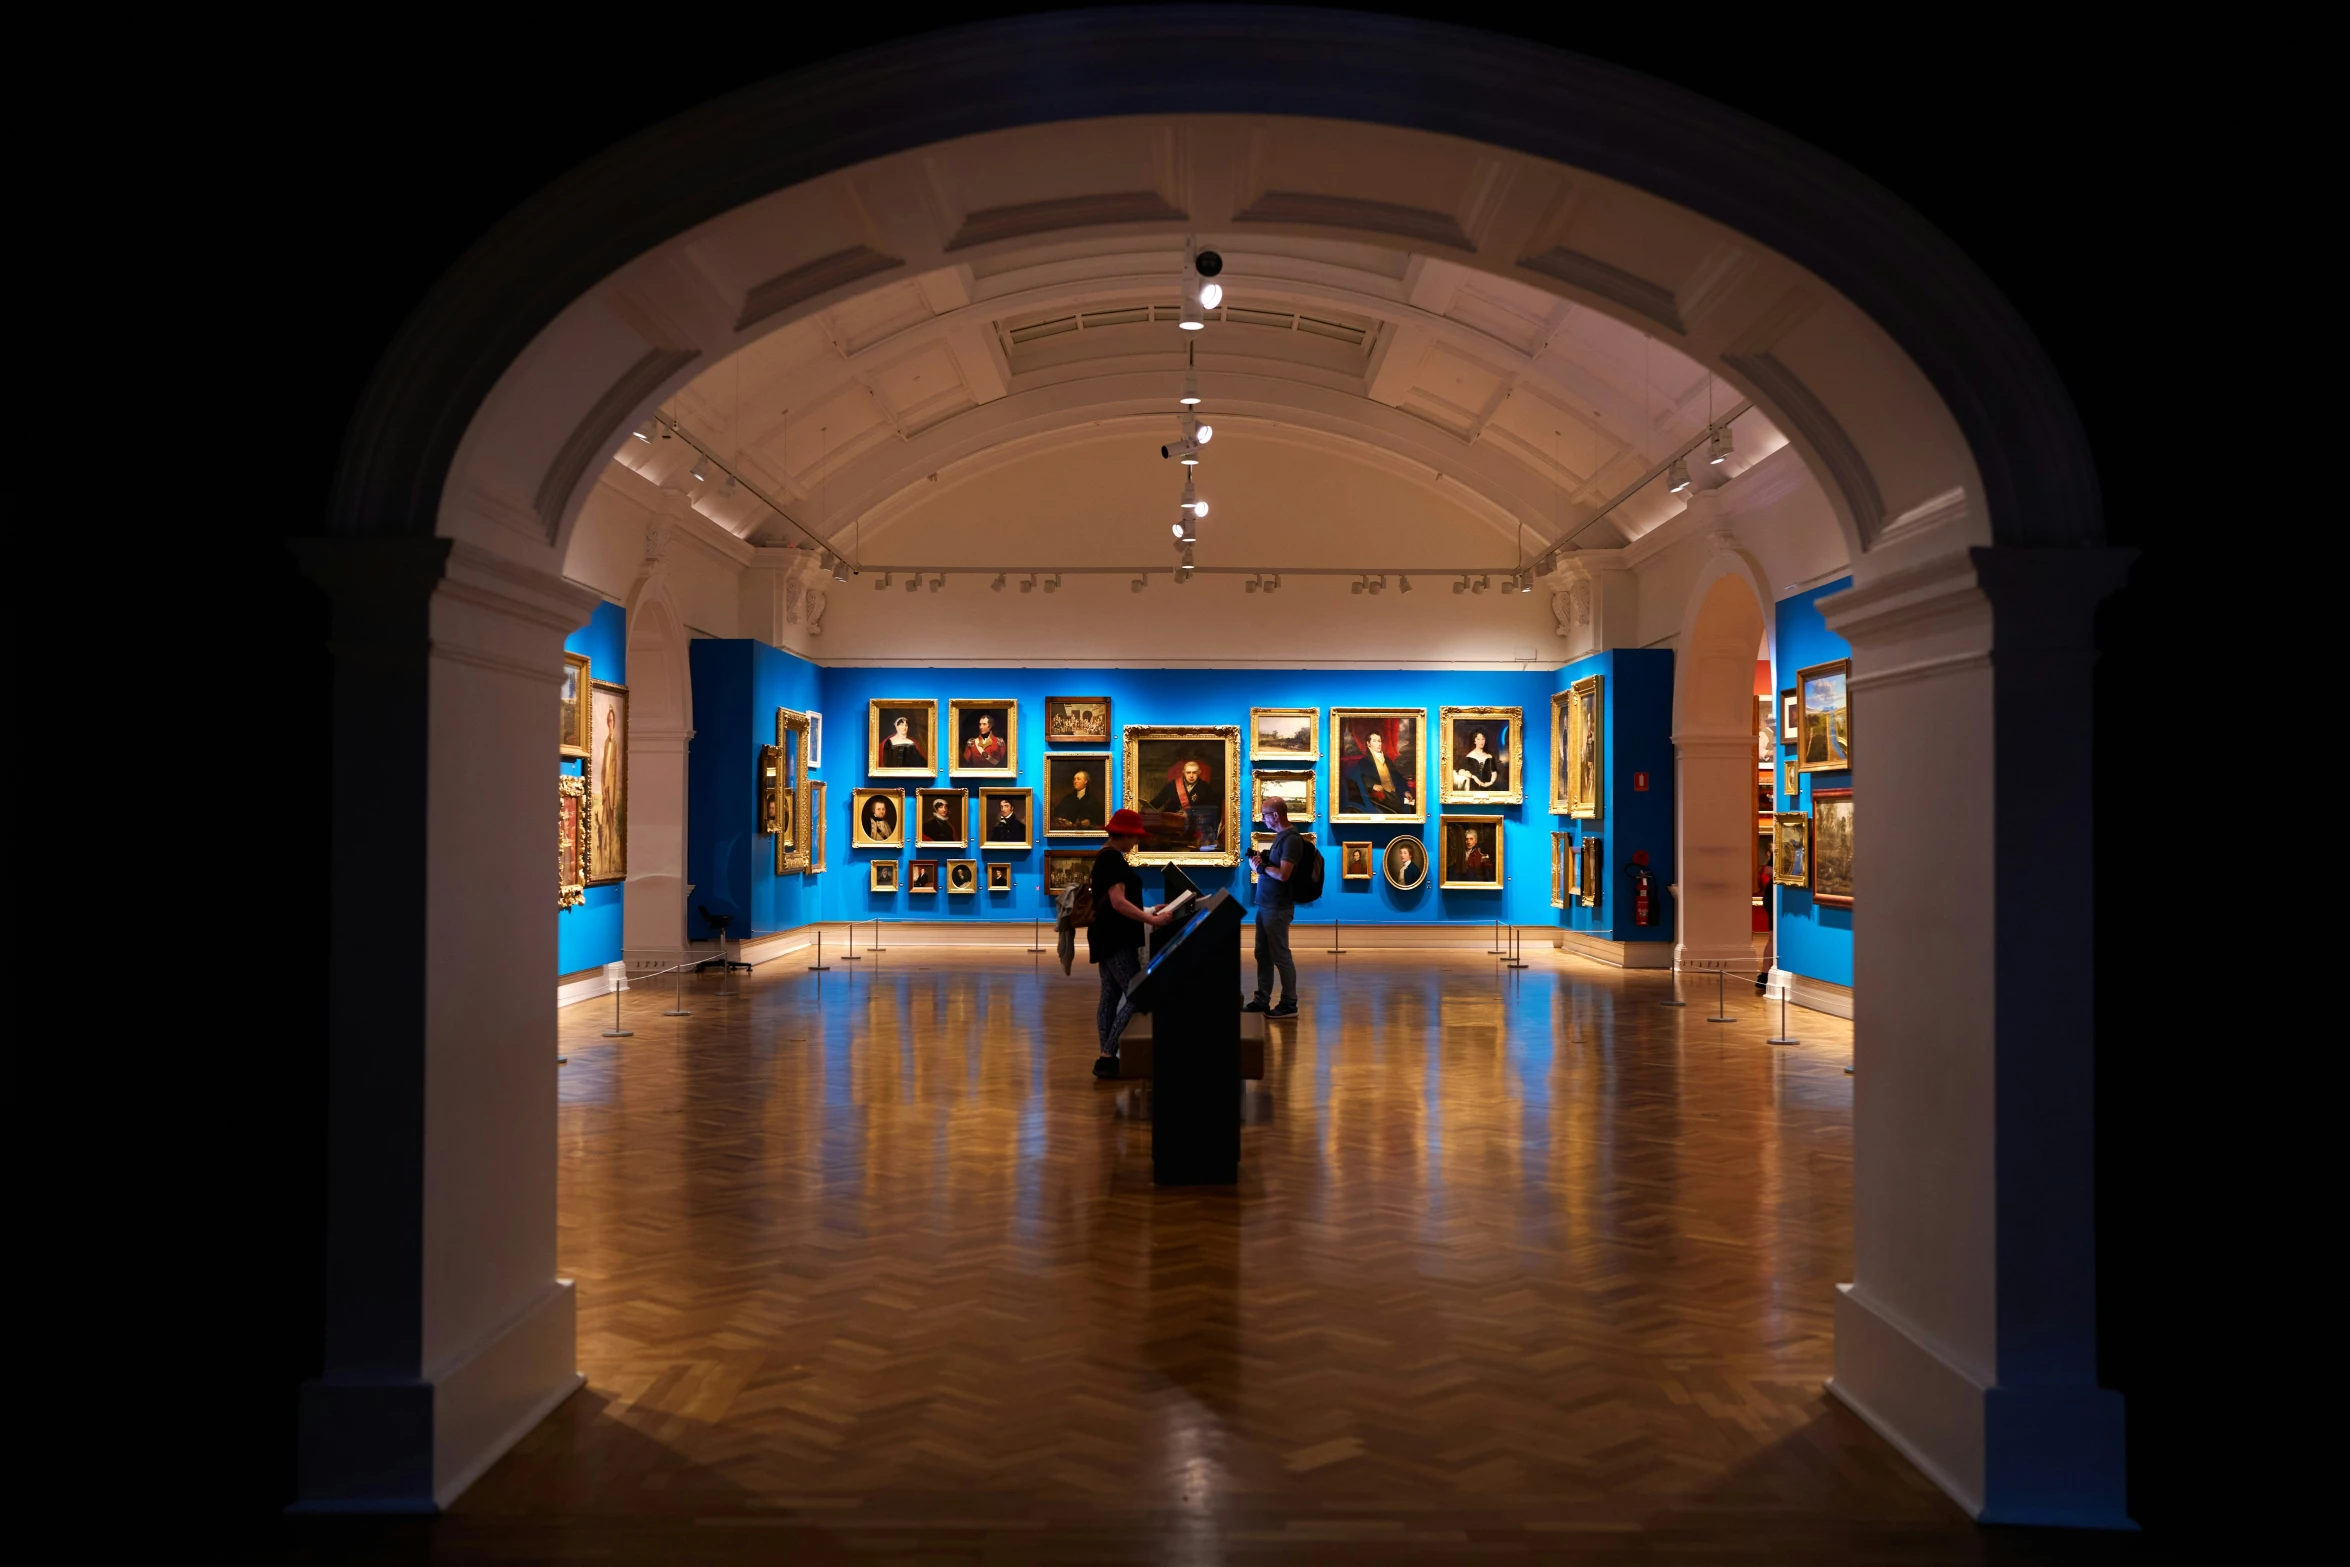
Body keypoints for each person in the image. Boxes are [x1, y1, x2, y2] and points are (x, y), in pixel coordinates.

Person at [1090, 808, 1177, 1078]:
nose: (1136, 842)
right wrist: (1152, 920)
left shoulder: (1104, 855)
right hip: (1116, 937)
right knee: (1140, 994)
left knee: (1110, 996)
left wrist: (1149, 909)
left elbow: (1118, 900)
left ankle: (1108, 1059)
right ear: (1124, 835)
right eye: (1134, 837)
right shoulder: (1113, 859)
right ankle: (1107, 1056)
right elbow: (1117, 902)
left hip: (1104, 934)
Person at [1244, 798, 1301, 1018]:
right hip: (1266, 904)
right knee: (1263, 954)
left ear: (1275, 815)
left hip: (1277, 907)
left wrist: (1261, 867)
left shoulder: (1291, 840)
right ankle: (1262, 999)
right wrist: (1263, 864)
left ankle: (1289, 1003)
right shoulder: (1281, 837)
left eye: (1265, 814)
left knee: (1280, 955)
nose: (1262, 818)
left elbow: (1284, 874)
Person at [1342, 728, 1412, 814]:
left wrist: (1405, 791)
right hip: (1379, 796)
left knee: (1410, 806)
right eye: (1374, 741)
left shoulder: (1388, 760)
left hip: (1395, 793)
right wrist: (1372, 785)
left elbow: (1397, 776)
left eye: (1379, 741)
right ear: (1368, 744)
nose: (1378, 744)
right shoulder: (1364, 762)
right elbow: (1360, 778)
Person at [1452, 727, 1501, 792]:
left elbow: (1494, 772)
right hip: (1474, 787)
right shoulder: (1469, 756)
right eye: (1478, 739)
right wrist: (1474, 777)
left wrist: (1490, 783)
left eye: (1483, 739)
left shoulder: (1489, 757)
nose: (1481, 742)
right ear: (1474, 741)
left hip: (1489, 787)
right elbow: (1460, 771)